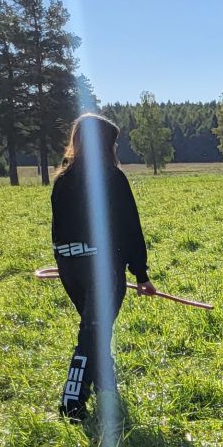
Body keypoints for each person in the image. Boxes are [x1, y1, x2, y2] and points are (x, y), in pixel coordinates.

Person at [50, 114, 152, 421]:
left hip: (69, 264)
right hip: (101, 265)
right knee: (92, 333)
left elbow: (58, 230)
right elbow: (129, 228)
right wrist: (142, 274)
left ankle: (106, 389)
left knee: (96, 328)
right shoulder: (111, 177)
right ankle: (71, 402)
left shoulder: (62, 179)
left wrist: (67, 263)